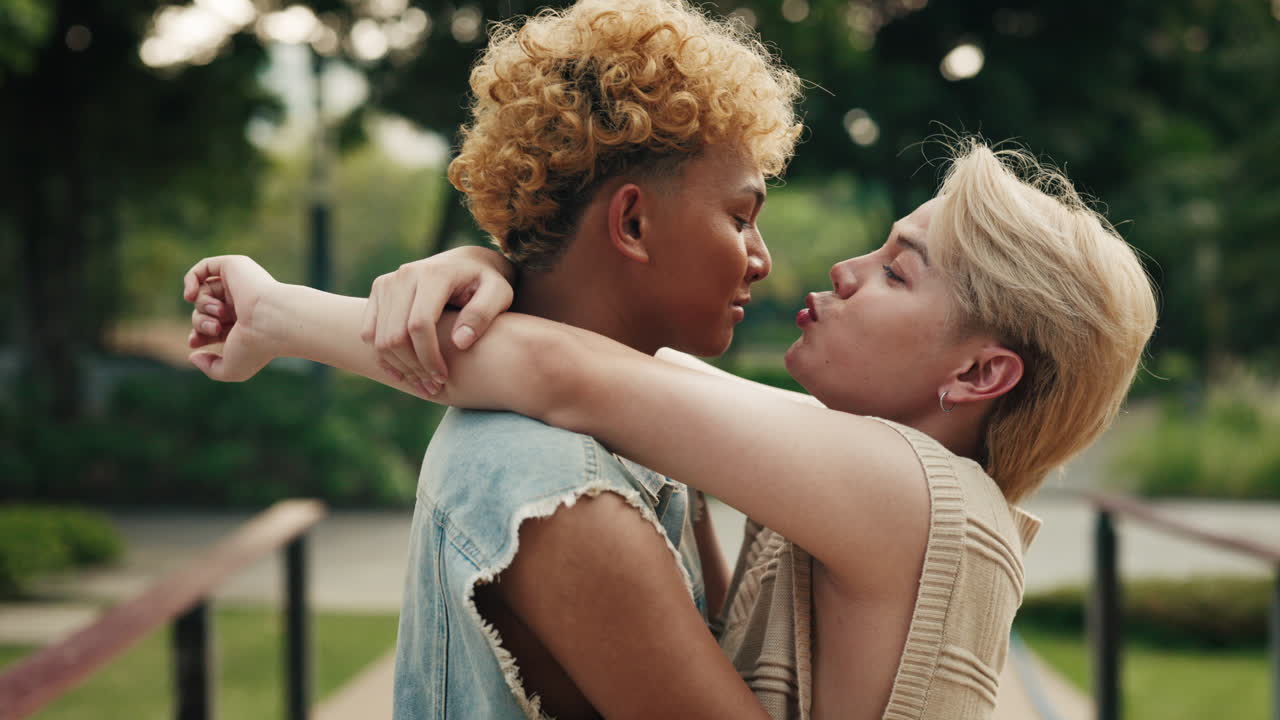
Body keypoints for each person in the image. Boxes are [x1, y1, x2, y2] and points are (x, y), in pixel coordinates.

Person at [184, 136, 1158, 718]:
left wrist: (280, 317)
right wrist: (492, 266)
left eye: (898, 272)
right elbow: (625, 368)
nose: (841, 270)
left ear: (980, 373)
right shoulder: (909, 487)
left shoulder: (913, 494)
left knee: (511, 451)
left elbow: (571, 376)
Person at [188, 1, 802, 718]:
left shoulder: (639, 424)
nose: (761, 259)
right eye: (740, 218)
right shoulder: (561, 491)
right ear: (633, 223)